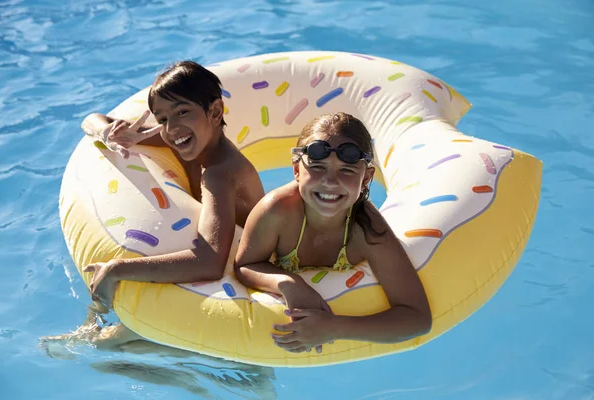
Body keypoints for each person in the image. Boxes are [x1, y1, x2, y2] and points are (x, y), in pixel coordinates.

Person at [43, 60, 264, 348]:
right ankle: (89, 327)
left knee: (105, 346)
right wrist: (108, 134)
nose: (171, 129)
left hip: (243, 279)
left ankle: (188, 377)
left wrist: (118, 268)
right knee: (107, 340)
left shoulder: (221, 173)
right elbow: (92, 119)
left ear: (215, 111)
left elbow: (210, 262)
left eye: (182, 112)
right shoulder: (188, 137)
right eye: (162, 119)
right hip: (225, 263)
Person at [234, 112, 432, 354]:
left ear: (367, 178)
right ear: (297, 170)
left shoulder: (367, 230)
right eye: (317, 167)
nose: (330, 181)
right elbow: (245, 264)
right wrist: (288, 284)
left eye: (347, 171)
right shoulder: (277, 211)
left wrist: (335, 327)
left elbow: (417, 318)